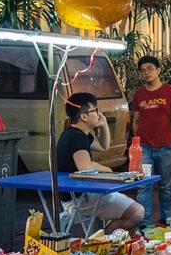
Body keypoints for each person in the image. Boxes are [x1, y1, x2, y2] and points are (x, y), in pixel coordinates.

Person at [56, 93, 144, 233]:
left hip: (84, 196)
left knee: (127, 208)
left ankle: (102, 239)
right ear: (84, 116)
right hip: (80, 200)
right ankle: (100, 241)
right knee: (137, 213)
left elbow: (104, 146)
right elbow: (85, 167)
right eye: (95, 110)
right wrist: (106, 169)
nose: (99, 113)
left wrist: (103, 126)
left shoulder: (76, 134)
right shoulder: (77, 138)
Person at [132, 56, 171, 227]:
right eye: (143, 70)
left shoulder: (170, 91)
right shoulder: (139, 94)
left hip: (166, 147)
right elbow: (136, 120)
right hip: (144, 147)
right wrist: (135, 144)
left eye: (150, 68)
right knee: (144, 185)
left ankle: (166, 219)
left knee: (166, 186)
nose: (146, 72)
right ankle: (144, 222)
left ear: (158, 70)